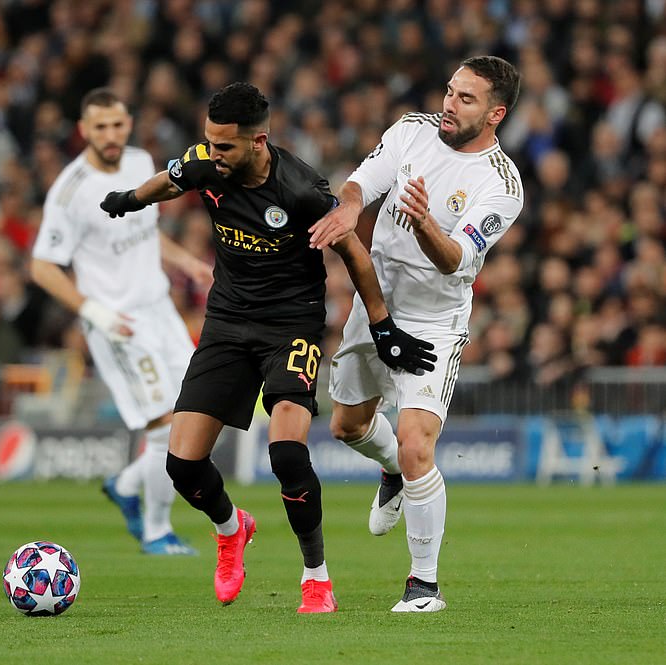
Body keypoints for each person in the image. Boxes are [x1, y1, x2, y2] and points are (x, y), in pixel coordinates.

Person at [101, 82, 436, 612]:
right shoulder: (206, 162)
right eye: (208, 141)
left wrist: (382, 326)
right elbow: (171, 180)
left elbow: (353, 252)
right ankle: (231, 529)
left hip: (291, 326)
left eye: (224, 145)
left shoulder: (301, 189)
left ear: (258, 141)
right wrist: (129, 200)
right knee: (182, 466)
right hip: (227, 323)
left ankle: (316, 578)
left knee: (286, 453)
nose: (212, 153)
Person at [309, 55, 523, 612]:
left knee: (415, 444)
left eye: (466, 98)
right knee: (347, 426)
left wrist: (425, 220)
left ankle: (424, 585)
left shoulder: (501, 184)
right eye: (450, 91)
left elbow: (455, 260)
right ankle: (392, 473)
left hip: (434, 321)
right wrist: (348, 208)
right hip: (374, 301)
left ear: (495, 114)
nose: (450, 104)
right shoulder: (411, 131)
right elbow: (360, 183)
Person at [31, 88, 214, 556]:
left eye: (117, 125)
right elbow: (42, 267)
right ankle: (156, 531)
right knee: (165, 426)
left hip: (159, 308)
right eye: (100, 127)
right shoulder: (70, 191)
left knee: (198, 411)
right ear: (84, 130)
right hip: (117, 322)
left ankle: (127, 485)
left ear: (128, 124)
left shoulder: (139, 161)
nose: (110, 135)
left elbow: (144, 231)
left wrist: (186, 262)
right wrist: (93, 312)